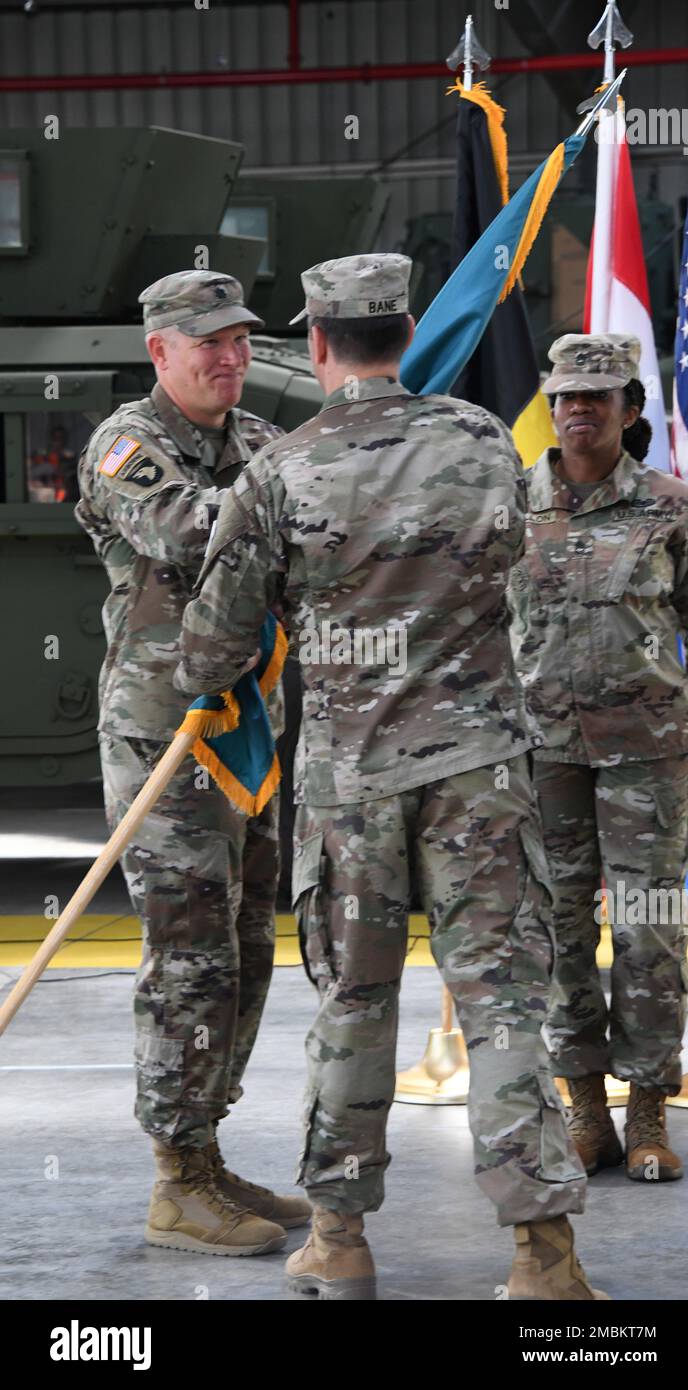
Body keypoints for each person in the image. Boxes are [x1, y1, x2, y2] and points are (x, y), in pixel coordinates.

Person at [174, 253, 606, 1303]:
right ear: (405, 332)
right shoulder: (481, 440)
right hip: (480, 772)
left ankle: (338, 1237)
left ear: (315, 342)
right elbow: (520, 569)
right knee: (502, 1004)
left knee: (355, 1004)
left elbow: (210, 648)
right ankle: (542, 1256)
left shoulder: (280, 472)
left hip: (352, 786)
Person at [75, 269, 311, 1257]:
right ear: (158, 350)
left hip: (245, 731)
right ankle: (175, 1180)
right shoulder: (127, 446)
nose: (229, 357)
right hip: (167, 739)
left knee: (249, 948)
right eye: (207, 341)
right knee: (187, 959)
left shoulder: (256, 442)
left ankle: (206, 1153)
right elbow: (199, 535)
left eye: (240, 340)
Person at [508, 333, 688, 1184]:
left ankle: (649, 1110)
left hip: (650, 751)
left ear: (631, 411)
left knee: (650, 928)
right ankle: (584, 1109)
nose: (578, 409)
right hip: (540, 749)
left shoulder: (672, 506)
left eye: (598, 397)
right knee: (555, 931)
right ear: (549, 407)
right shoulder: (507, 504)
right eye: (564, 396)